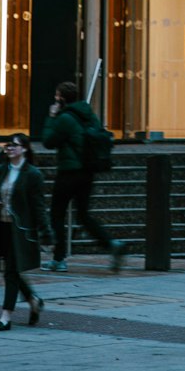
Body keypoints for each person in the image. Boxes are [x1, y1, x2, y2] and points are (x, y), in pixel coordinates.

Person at [42, 81, 128, 274]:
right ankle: (111, 243)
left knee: (57, 214)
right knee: (83, 214)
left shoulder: (63, 118)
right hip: (88, 172)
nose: (55, 99)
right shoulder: (89, 115)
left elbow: (48, 141)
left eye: (57, 96)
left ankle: (59, 259)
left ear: (61, 98)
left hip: (68, 172)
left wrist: (51, 117)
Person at [0, 132, 52, 330]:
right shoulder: (1, 169)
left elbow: (39, 206)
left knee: (11, 271)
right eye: (8, 145)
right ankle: (33, 300)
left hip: (19, 230)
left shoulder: (32, 174)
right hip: (1, 226)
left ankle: (6, 316)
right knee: (10, 270)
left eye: (14, 145)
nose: (10, 148)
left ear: (24, 149)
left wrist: (46, 233)